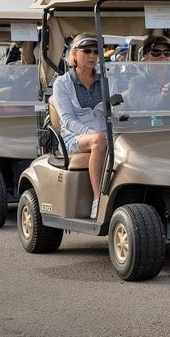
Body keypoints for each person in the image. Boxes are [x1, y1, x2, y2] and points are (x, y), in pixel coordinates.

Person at [51, 33, 107, 219]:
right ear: (74, 54)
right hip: (73, 137)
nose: (93, 55)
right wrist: (96, 134)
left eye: (96, 51)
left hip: (103, 133)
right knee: (99, 141)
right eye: (87, 51)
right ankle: (98, 200)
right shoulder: (62, 84)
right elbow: (68, 121)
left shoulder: (105, 80)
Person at [127, 35, 170, 110]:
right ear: (146, 57)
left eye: (167, 53)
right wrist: (162, 96)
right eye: (156, 52)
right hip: (149, 121)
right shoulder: (137, 82)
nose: (162, 56)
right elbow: (139, 104)